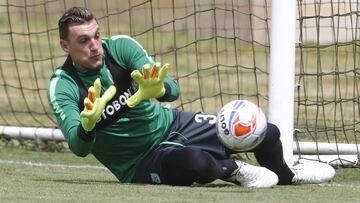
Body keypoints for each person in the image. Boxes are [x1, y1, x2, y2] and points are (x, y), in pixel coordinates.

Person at [47, 6, 335, 188]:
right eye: (83, 41)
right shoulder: (64, 85)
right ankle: (233, 169)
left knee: (266, 131)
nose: (95, 46)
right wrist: (89, 124)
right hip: (140, 162)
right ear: (65, 45)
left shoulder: (120, 47)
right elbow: (79, 148)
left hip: (175, 125)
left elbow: (172, 88)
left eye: (96, 36)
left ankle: (287, 176)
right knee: (196, 164)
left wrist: (156, 90)